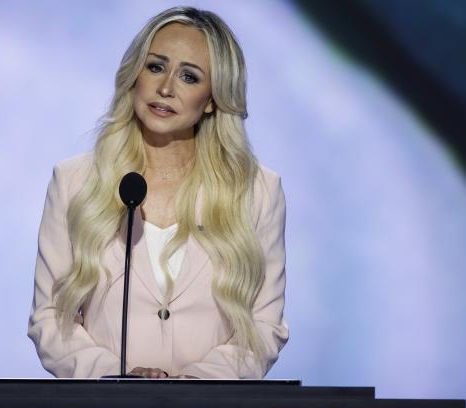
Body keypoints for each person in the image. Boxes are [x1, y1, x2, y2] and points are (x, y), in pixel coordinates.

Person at [27, 6, 288, 379]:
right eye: (155, 67)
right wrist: (117, 379)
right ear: (135, 74)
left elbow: (263, 325)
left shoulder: (257, 191)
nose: (166, 88)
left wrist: (196, 384)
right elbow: (51, 318)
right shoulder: (75, 182)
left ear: (212, 98)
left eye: (189, 76)